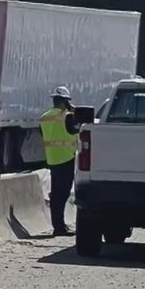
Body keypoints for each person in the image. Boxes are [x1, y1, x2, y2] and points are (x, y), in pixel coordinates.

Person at [39, 86, 81, 236]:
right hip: (66, 158)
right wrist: (75, 110)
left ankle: (58, 225)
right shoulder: (67, 117)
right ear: (65, 102)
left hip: (52, 159)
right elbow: (78, 128)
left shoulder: (44, 117)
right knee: (62, 195)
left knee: (56, 195)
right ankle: (59, 227)